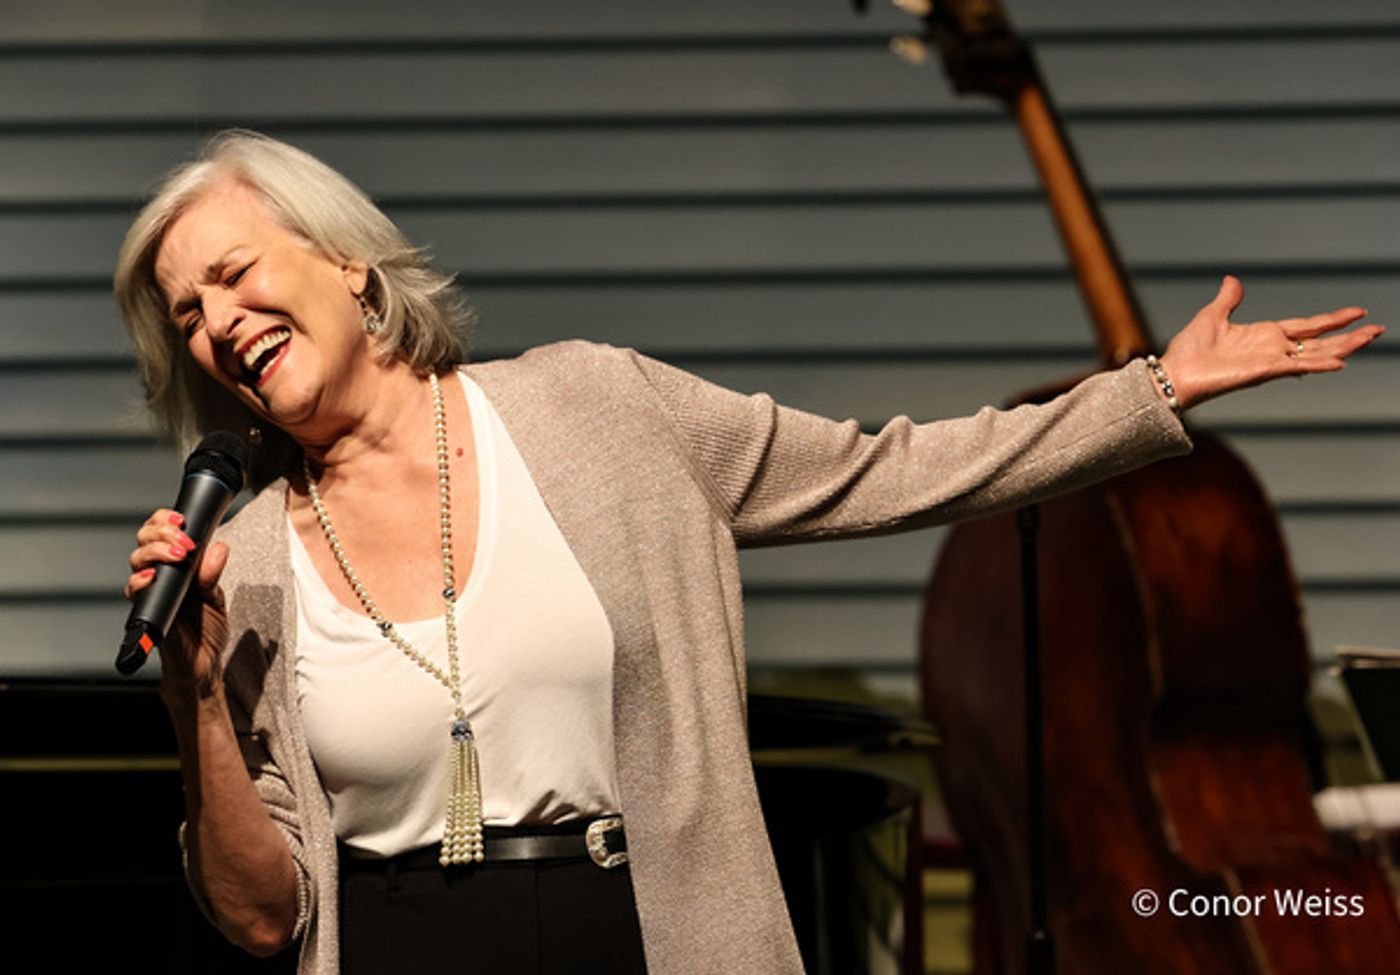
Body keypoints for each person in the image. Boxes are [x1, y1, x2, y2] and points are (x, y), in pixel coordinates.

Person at [115, 131, 1382, 975]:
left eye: (233, 276)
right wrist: (195, 694)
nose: (219, 325)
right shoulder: (253, 558)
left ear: (342, 256)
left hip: (640, 933)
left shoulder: (596, 408)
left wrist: (1150, 388)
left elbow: (889, 469)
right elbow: (262, 913)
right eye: (189, 317)